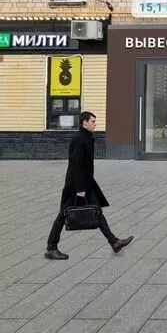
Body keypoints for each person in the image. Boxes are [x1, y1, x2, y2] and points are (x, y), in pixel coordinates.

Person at [45, 111, 134, 260]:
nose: (95, 124)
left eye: (94, 121)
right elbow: (76, 165)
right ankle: (51, 248)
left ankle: (114, 242)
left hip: (84, 183)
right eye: (92, 121)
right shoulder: (80, 139)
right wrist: (80, 189)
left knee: (96, 212)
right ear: (84, 123)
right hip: (76, 186)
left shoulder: (85, 137)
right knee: (63, 215)